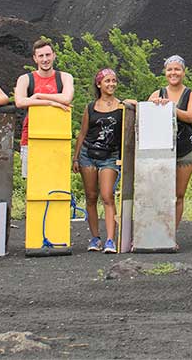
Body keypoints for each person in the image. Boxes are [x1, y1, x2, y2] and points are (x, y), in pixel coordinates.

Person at [73, 68, 124, 253]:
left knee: (107, 195)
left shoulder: (122, 106)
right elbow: (83, 133)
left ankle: (111, 239)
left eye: (114, 81)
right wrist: (76, 157)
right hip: (88, 154)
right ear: (99, 84)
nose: (111, 84)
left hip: (110, 156)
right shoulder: (90, 107)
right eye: (107, 81)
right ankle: (95, 238)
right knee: (91, 197)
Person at [148, 55, 192, 230]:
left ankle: (172, 233)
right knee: (161, 193)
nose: (173, 73)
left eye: (177, 69)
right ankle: (157, 230)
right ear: (165, 72)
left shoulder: (191, 94)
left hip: (184, 148)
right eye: (170, 69)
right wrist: (155, 105)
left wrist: (170, 107)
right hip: (161, 150)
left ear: (183, 72)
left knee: (178, 194)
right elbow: (146, 115)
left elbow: (191, 116)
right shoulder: (157, 94)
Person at [13, 39, 75, 178]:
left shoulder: (64, 77)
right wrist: (51, 103)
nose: (45, 59)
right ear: (35, 58)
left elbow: (66, 98)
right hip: (30, 137)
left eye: (48, 55)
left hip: (58, 137)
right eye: (41, 56)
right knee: (33, 184)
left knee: (56, 180)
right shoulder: (25, 79)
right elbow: (20, 101)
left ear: (54, 55)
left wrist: (38, 96)